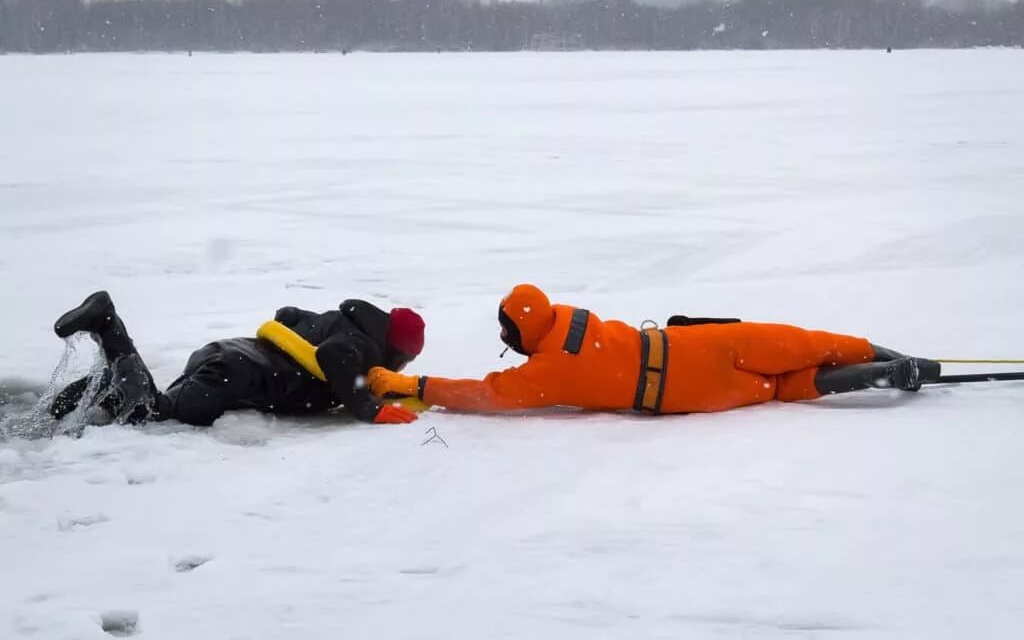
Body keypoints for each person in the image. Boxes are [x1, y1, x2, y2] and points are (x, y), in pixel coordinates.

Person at [367, 284, 941, 415]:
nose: (504, 344)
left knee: (779, 387)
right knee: (797, 344)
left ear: (520, 330)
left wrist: (414, 385)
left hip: (680, 389)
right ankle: (881, 354)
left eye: (505, 333)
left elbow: (481, 395)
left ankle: (878, 374)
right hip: (692, 342)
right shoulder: (567, 316)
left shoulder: (547, 374)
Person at [48, 290, 425, 426]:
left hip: (226, 355)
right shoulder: (364, 346)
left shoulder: (344, 321)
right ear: (397, 350)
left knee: (150, 402)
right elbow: (334, 355)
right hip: (236, 373)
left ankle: (89, 395)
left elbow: (288, 315)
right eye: (403, 363)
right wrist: (367, 408)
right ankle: (108, 323)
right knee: (154, 413)